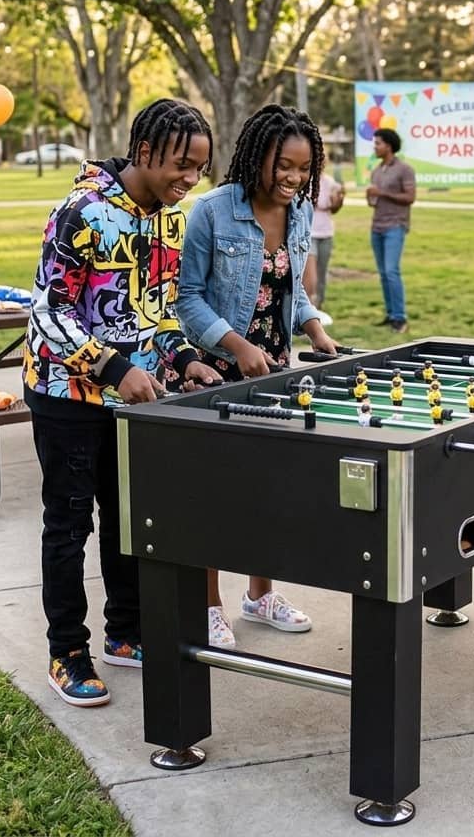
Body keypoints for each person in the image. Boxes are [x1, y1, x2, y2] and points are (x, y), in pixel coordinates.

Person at [24, 98, 222, 707]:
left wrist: (184, 357)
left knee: (125, 515)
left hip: (129, 397)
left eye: (199, 169)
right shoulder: (80, 211)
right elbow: (47, 312)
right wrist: (112, 367)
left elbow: (156, 310)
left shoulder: (169, 219)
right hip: (65, 394)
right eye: (181, 165)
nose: (189, 180)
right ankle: (68, 652)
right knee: (68, 523)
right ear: (143, 152)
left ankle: (125, 632)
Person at [176, 104, 338, 650]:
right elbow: (187, 300)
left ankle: (260, 595)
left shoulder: (299, 211)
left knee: (268, 490)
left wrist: (314, 329)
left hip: (275, 372)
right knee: (214, 495)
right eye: (283, 166)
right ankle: (208, 605)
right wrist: (237, 345)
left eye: (304, 168)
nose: (293, 178)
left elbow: (289, 290)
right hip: (216, 372)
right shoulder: (212, 211)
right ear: (257, 156)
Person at [367, 127, 416, 333]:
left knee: (391, 271)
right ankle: (390, 314)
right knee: (383, 274)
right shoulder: (377, 170)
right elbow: (374, 201)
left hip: (395, 226)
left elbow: (410, 197)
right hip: (377, 226)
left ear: (388, 145)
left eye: (378, 143)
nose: (375, 147)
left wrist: (382, 193)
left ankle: (400, 318)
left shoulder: (404, 169)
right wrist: (371, 196)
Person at [309, 170, 344, 311]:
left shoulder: (329, 182)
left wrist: (338, 200)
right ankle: (308, 306)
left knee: (322, 271)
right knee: (310, 274)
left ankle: (318, 305)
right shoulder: (306, 179)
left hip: (326, 232)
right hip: (309, 232)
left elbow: (334, 208)